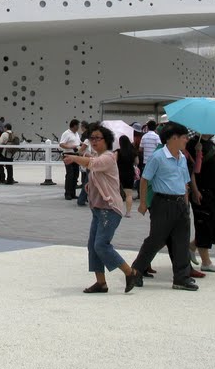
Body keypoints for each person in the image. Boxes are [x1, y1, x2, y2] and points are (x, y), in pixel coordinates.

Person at [62, 124, 136, 293]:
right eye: (92, 138)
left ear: (106, 140)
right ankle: (101, 282)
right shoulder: (98, 155)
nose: (93, 141)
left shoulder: (108, 157)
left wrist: (74, 158)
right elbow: (95, 170)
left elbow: (93, 164)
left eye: (97, 138)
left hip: (109, 209)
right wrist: (90, 186)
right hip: (98, 208)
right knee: (93, 245)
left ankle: (130, 272)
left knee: (101, 245)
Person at [127, 121, 197, 291]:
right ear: (173, 138)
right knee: (156, 240)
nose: (186, 140)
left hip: (181, 204)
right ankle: (135, 271)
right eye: (183, 137)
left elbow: (185, 182)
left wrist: (186, 204)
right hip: (163, 203)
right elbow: (145, 179)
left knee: (181, 241)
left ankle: (181, 278)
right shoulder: (158, 157)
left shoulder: (182, 157)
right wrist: (143, 203)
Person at [187, 135, 215, 272]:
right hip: (203, 191)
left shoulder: (211, 144)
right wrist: (195, 191)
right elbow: (192, 171)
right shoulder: (193, 144)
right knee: (204, 225)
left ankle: (193, 245)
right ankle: (206, 262)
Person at [116, 134, 139, 216]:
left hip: (119, 173)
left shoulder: (118, 151)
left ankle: (118, 210)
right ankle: (128, 212)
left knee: (117, 193)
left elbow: (114, 162)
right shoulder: (133, 151)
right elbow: (137, 162)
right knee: (129, 194)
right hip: (129, 173)